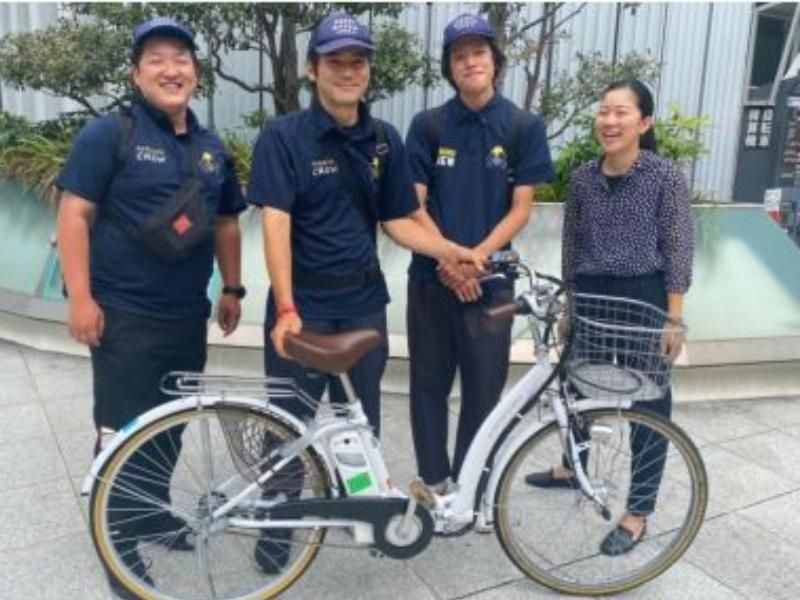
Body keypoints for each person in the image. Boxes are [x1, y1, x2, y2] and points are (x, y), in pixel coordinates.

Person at [246, 11, 483, 572]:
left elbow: (398, 220)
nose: (348, 71)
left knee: (359, 419)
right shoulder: (284, 137)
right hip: (303, 306)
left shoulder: (383, 141)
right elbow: (275, 223)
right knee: (289, 420)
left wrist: (450, 250)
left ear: (368, 71)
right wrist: (285, 307)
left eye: (358, 62)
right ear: (313, 69)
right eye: (336, 62)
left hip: (363, 306)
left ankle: (357, 508)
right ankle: (278, 523)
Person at [56, 16, 246, 597]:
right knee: (121, 433)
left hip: (185, 316)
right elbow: (74, 214)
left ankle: (150, 514)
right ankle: (117, 542)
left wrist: (232, 289)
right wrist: (81, 299)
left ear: (196, 72)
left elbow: (227, 222)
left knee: (169, 428)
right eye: (156, 60)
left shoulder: (212, 149)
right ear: (137, 74)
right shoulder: (109, 134)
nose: (171, 70)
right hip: (123, 317)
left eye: (181, 59)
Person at [524, 79, 694, 556]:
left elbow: (678, 245)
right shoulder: (583, 178)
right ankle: (571, 468)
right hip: (591, 294)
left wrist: (674, 317)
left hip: (644, 296)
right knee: (575, 386)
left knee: (650, 405)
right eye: (604, 111)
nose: (610, 121)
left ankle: (637, 512)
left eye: (622, 112)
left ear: (644, 122)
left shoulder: (664, 176)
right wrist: (568, 305)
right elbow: (572, 245)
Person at [404, 13, 554, 494]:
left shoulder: (522, 126)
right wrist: (449, 259)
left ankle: (472, 489)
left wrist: (476, 261)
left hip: (491, 284)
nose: (470, 62)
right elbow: (413, 204)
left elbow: (521, 208)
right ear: (449, 67)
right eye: (459, 55)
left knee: (484, 389)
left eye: (478, 52)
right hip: (431, 279)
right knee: (428, 384)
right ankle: (434, 482)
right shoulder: (428, 125)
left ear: (495, 60)